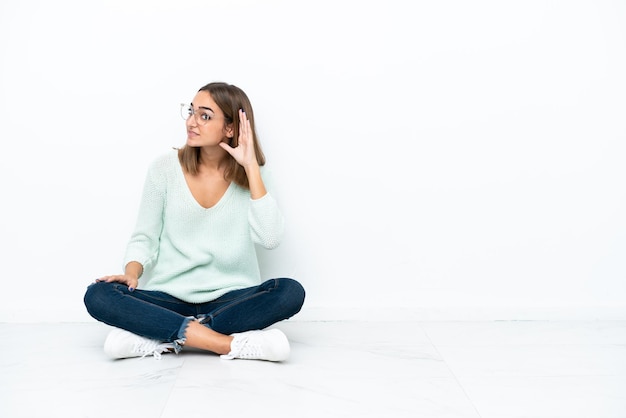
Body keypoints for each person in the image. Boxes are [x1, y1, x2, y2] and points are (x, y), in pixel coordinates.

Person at [84, 82, 305, 362]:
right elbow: (145, 238)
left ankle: (160, 335)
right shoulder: (164, 168)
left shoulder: (255, 175)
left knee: (289, 292)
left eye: (205, 116)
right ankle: (226, 344)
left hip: (230, 298)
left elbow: (270, 239)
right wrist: (132, 273)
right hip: (170, 297)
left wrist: (250, 168)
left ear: (230, 127)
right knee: (98, 295)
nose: (191, 122)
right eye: (191, 112)